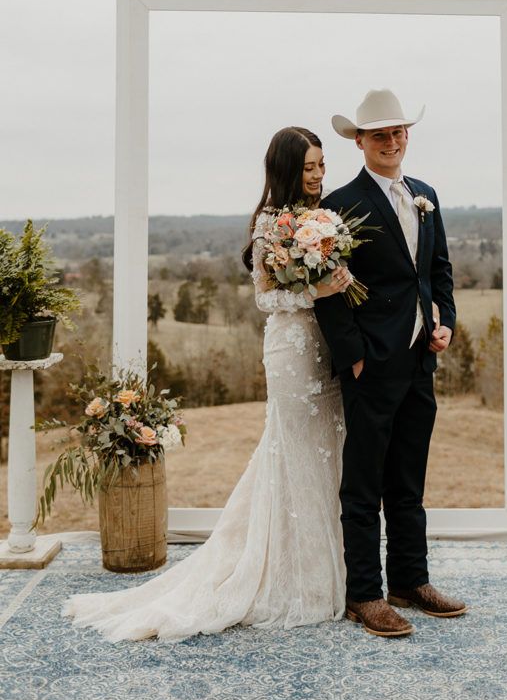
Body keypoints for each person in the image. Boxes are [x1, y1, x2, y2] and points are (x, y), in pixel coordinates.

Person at [61, 127, 351, 642]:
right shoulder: (269, 224)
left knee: (328, 450)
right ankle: (290, 578)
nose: (318, 175)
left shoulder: (324, 219)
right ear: (286, 169)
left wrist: (333, 285)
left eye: (322, 165)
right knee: (293, 452)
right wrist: (316, 289)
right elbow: (267, 298)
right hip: (289, 352)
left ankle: (329, 568)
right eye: (309, 167)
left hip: (327, 348)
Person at [314, 89, 468, 638]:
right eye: (380, 134)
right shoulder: (339, 205)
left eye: (399, 132)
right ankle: (364, 595)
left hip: (420, 359)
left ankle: (411, 580)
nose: (392, 141)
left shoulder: (426, 195)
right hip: (371, 364)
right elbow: (327, 292)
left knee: (408, 479)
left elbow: (438, 272)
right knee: (363, 484)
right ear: (360, 142)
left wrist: (445, 320)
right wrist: (353, 357)